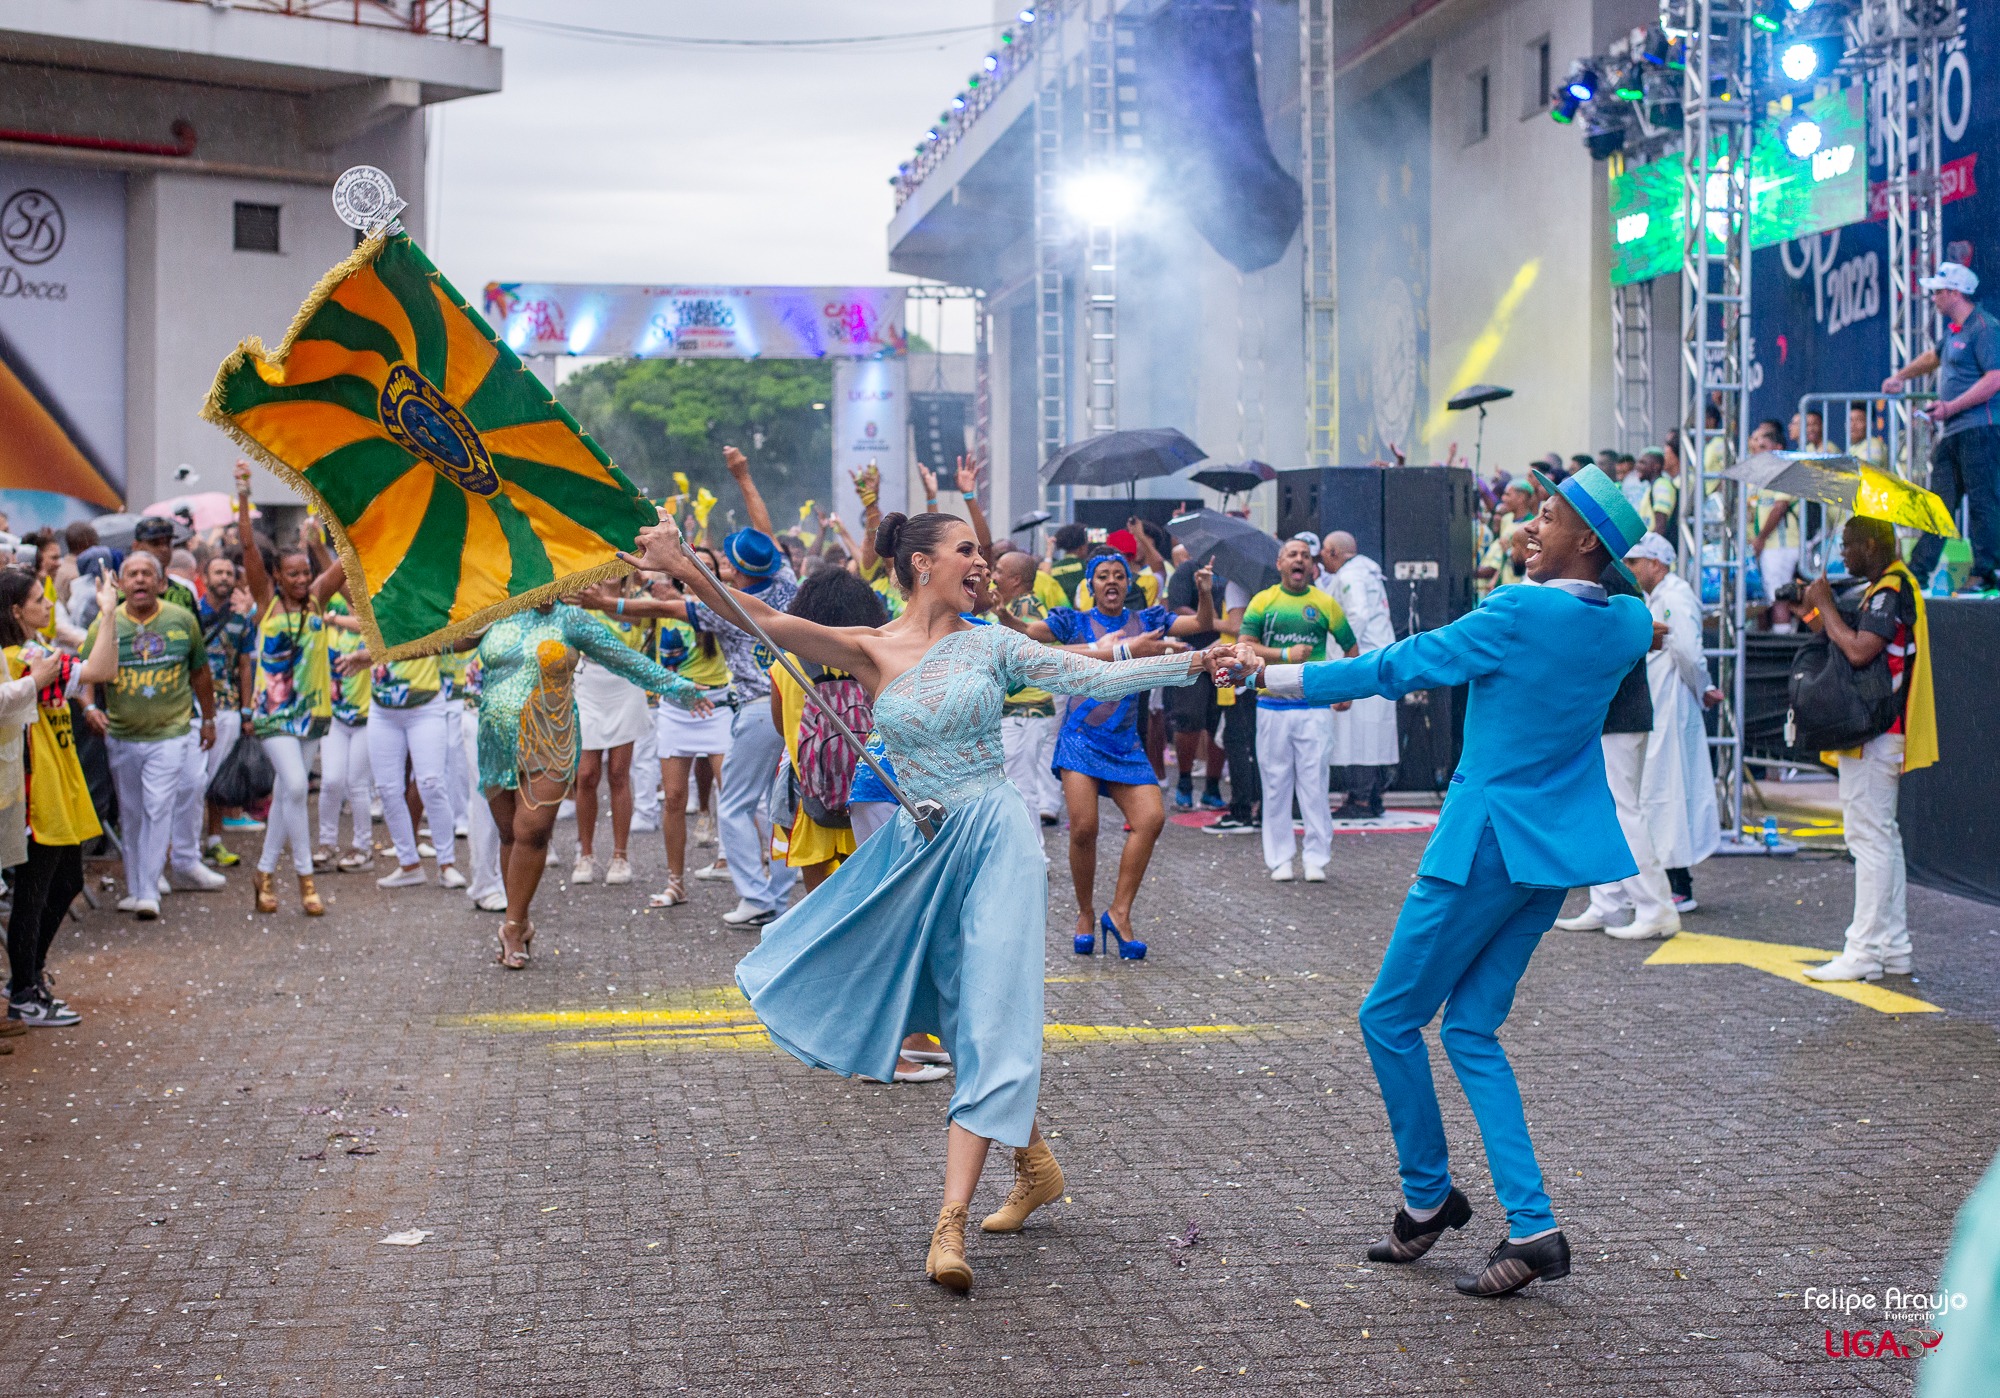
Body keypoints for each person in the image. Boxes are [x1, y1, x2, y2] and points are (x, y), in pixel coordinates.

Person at [622, 507, 1235, 1292]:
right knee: (954, 1011)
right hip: (922, 848)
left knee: (990, 1012)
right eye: (967, 550)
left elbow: (1095, 677)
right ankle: (1037, 1165)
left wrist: (1193, 661)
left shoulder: (993, 643)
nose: (983, 561)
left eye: (982, 551)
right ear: (922, 565)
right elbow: (764, 619)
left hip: (998, 838)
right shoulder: (870, 648)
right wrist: (680, 565)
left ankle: (948, 1226)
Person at [1231, 462, 1654, 1298]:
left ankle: (1428, 1200)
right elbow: (1624, 608)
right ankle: (1533, 1228)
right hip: (1555, 856)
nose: (1530, 525)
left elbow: (1402, 666)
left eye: (1549, 516)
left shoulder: (1521, 609)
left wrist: (1269, 675)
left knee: (1389, 1018)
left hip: (1484, 845)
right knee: (1469, 1033)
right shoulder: (1629, 622)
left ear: (1586, 542)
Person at [475, 597, 711, 969]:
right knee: (510, 835)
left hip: (550, 740)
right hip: (496, 743)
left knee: (532, 830)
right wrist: (378, 646)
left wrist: (676, 685)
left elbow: (624, 658)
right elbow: (440, 637)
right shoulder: (494, 607)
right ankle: (519, 922)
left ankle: (512, 925)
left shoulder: (572, 619)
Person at [1003, 548, 1215, 957]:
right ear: (1091, 584)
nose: (1112, 581)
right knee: (1084, 828)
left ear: (1128, 582)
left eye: (1119, 575)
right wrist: (1005, 615)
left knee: (1151, 818)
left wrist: (1204, 592)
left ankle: (1119, 913)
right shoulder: (1073, 621)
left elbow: (1202, 625)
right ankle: (1084, 913)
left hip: (1125, 745)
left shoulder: (1149, 620)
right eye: (1103, 576)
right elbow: (1028, 633)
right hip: (1080, 739)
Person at [1800, 517, 1937, 982]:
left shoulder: (1887, 590)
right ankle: (1893, 947)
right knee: (1882, 838)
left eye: (1848, 546)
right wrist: (1819, 611)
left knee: (1869, 841)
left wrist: (1824, 606)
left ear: (1873, 545)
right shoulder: (1892, 586)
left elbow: (1860, 651)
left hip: (1876, 734)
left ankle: (1863, 952)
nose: (1843, 555)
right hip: (1880, 732)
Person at [2, 567, 117, 1025]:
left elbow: (99, 668)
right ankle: (25, 990)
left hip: (58, 783)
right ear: (17, 611)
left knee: (64, 881)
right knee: (35, 890)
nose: (49, 605)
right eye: (38, 600)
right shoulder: (23, 658)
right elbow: (103, 668)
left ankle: (26, 978)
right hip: (37, 790)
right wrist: (108, 613)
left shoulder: (39, 653)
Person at [83, 552, 225, 917]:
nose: (141, 580)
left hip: (171, 732)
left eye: (148, 574)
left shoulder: (181, 620)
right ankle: (137, 887)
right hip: (123, 734)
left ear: (162, 583)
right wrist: (88, 707)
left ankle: (149, 891)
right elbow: (86, 672)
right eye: (133, 575)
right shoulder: (105, 623)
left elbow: (200, 673)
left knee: (158, 806)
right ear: (120, 583)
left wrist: (208, 719)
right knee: (131, 814)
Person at [1552, 540, 1679, 942]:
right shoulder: (1611, 574)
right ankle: (1610, 901)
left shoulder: (1606, 577)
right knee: (1606, 809)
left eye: (1552, 519)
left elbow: (1608, 642)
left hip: (1618, 713)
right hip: (1614, 712)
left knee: (1623, 811)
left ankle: (1655, 906)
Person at [234, 469, 340, 916]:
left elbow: (348, 561)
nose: (300, 579)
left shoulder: (317, 598)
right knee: (296, 784)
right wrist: (243, 495)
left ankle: (262, 872)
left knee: (288, 794)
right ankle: (304, 878)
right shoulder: (267, 602)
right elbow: (246, 548)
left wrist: (321, 533)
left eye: (305, 573)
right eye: (291, 573)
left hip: (314, 712)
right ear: (276, 574)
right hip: (274, 713)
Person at [1241, 540, 1357, 881]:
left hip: (1313, 707)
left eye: (1305, 556)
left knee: (1315, 784)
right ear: (1280, 563)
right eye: (1292, 554)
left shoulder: (1324, 603)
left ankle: (1316, 858)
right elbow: (1244, 645)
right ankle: (1279, 858)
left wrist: (1347, 688)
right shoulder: (1263, 602)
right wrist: (1285, 655)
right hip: (1271, 705)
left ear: (1311, 566)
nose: (1299, 560)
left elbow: (1351, 647)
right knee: (1275, 785)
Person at [768, 569, 887, 889]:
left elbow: (781, 728)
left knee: (817, 895)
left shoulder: (785, 664)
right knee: (865, 885)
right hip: (868, 792)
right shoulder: (876, 661)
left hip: (812, 796)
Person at [1623, 534, 1722, 913]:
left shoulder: (1676, 597)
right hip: (1666, 702)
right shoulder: (1661, 597)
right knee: (1660, 789)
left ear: (1658, 564)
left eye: (1636, 563)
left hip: (1673, 703)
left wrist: (1703, 688)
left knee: (1669, 789)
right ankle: (1667, 880)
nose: (1631, 570)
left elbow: (1687, 652)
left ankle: (1678, 883)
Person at [1888, 263, 2000, 591]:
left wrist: (1950, 407)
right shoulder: (1955, 331)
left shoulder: (1984, 327)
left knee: (1983, 501)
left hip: (1981, 430)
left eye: (1937, 292)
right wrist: (1900, 377)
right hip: (1954, 432)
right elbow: (1932, 358)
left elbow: (1995, 378)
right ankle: (1917, 572)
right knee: (1937, 504)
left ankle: (1986, 572)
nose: (1933, 298)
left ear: (1953, 293)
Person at [639, 548, 734, 910]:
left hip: (717, 708)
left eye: (710, 568)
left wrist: (681, 597)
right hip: (675, 709)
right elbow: (632, 602)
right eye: (698, 567)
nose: (705, 572)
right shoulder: (663, 605)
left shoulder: (723, 605)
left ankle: (738, 867)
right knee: (675, 798)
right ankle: (675, 882)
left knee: (731, 791)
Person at [333, 641, 466, 892]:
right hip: (383, 710)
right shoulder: (373, 605)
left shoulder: (424, 602)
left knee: (431, 783)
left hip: (425, 705)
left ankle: (446, 864)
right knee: (387, 788)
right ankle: (409, 865)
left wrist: (370, 654)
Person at [568, 577, 655, 887]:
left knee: (619, 773)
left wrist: (603, 602)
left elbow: (636, 618)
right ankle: (586, 853)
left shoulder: (637, 599)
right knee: (587, 774)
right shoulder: (579, 595)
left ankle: (620, 855)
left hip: (625, 684)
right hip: (588, 683)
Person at [1319, 531, 1401, 818]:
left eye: (1324, 555)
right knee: (1372, 732)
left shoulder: (1350, 576)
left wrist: (1347, 654)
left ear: (1333, 552)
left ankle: (1361, 799)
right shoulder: (1369, 572)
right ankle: (1373, 796)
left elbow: (1356, 614)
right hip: (1378, 657)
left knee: (1358, 734)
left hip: (1362, 660)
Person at [992, 549, 1063, 826]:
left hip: (1024, 710)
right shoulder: (1022, 606)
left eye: (999, 571)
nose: (993, 576)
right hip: (1031, 709)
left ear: (1016, 580)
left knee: (1021, 789)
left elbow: (1022, 660)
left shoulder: (1024, 610)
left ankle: (1037, 863)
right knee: (1028, 782)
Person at [195, 553, 256, 867]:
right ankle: (188, 846)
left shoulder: (241, 620)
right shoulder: (190, 615)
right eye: (217, 572)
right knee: (191, 780)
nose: (223, 578)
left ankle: (214, 841)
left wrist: (247, 711)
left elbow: (245, 666)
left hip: (229, 707)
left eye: (228, 574)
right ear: (204, 577)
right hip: (192, 710)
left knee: (217, 778)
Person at [317, 595, 375, 873]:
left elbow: (368, 624)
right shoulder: (328, 631)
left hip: (367, 718)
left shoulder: (374, 625)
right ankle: (326, 844)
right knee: (330, 781)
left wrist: (335, 618)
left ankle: (363, 848)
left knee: (357, 784)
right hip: (336, 718)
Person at [1748, 418, 1801, 627]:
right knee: (1770, 597)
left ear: (1778, 448)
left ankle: (1782, 646)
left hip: (1781, 545)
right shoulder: (1764, 476)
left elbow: (1779, 507)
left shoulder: (1783, 471)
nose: (1758, 451)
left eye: (1763, 447)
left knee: (1778, 598)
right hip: (1769, 546)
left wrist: (1760, 538)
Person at [130, 515, 199, 614]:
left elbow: (194, 628)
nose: (164, 549)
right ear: (137, 546)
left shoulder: (183, 593)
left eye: (167, 543)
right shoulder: (126, 594)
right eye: (155, 543)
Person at [1046, 523, 1091, 611]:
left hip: (1057, 617)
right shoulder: (1087, 567)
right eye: (1086, 544)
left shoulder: (1051, 569)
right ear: (1081, 548)